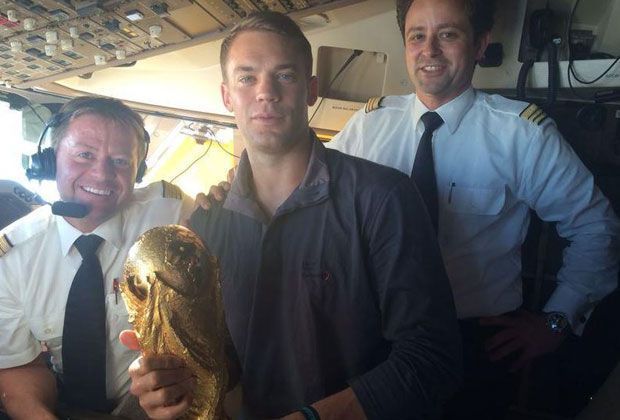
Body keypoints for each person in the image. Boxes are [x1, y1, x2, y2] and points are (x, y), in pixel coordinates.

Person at [124, 10, 462, 420]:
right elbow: (222, 357)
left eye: (284, 75)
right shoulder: (207, 225)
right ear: (227, 95)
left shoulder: (382, 198)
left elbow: (432, 358)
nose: (265, 91)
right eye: (247, 77)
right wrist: (171, 384)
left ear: (310, 90)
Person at [327, 0, 620, 418]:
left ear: (480, 44)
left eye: (448, 34)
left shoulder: (521, 135)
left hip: (473, 345)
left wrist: (557, 321)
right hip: (371, 334)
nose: (429, 50)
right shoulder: (368, 126)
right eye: (417, 36)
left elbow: (597, 228)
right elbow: (314, 196)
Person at [0, 96, 197, 419]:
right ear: (50, 161)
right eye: (84, 155)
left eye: (120, 161)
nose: (101, 174)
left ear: (138, 170)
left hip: (155, 404)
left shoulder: (172, 215)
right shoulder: (14, 258)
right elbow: (21, 367)